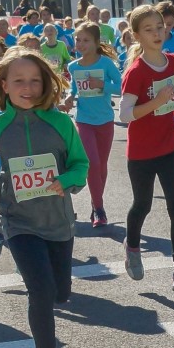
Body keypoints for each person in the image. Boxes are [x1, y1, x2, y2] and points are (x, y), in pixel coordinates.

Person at [0, 47, 90, 348]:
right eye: (19, 81)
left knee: (60, 292)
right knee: (40, 289)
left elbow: (80, 165)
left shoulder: (61, 123)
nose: (28, 88)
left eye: (35, 80)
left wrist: (66, 180)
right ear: (4, 86)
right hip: (18, 221)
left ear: (45, 84)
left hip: (58, 222)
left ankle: (0, 233)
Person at [119, 3, 174, 291]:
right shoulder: (136, 72)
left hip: (169, 146)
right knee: (143, 205)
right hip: (141, 152)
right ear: (136, 36)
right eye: (148, 30)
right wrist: (155, 102)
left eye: (159, 28)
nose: (156, 33)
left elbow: (171, 99)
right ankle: (132, 246)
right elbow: (125, 115)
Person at [67, 22, 121, 229]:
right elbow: (73, 89)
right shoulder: (73, 66)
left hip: (105, 120)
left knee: (102, 166)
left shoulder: (106, 64)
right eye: (78, 40)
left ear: (97, 42)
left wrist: (102, 85)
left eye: (86, 40)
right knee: (92, 163)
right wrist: (69, 97)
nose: (80, 44)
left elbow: (122, 87)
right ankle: (99, 209)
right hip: (84, 120)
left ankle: (95, 203)